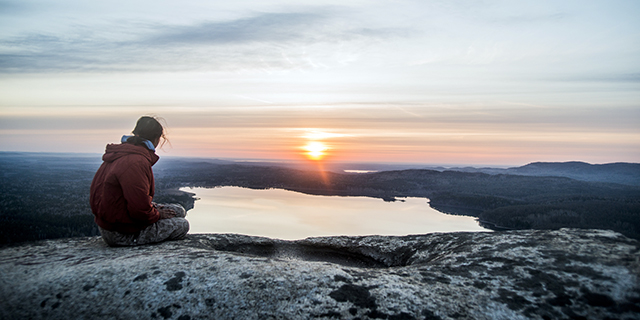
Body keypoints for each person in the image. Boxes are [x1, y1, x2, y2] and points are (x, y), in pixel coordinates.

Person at [90, 116, 189, 246]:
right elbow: (139, 211)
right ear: (157, 139)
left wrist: (154, 209)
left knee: (178, 210)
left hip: (114, 223)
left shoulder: (121, 153)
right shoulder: (136, 162)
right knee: (182, 225)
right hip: (122, 233)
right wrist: (158, 214)